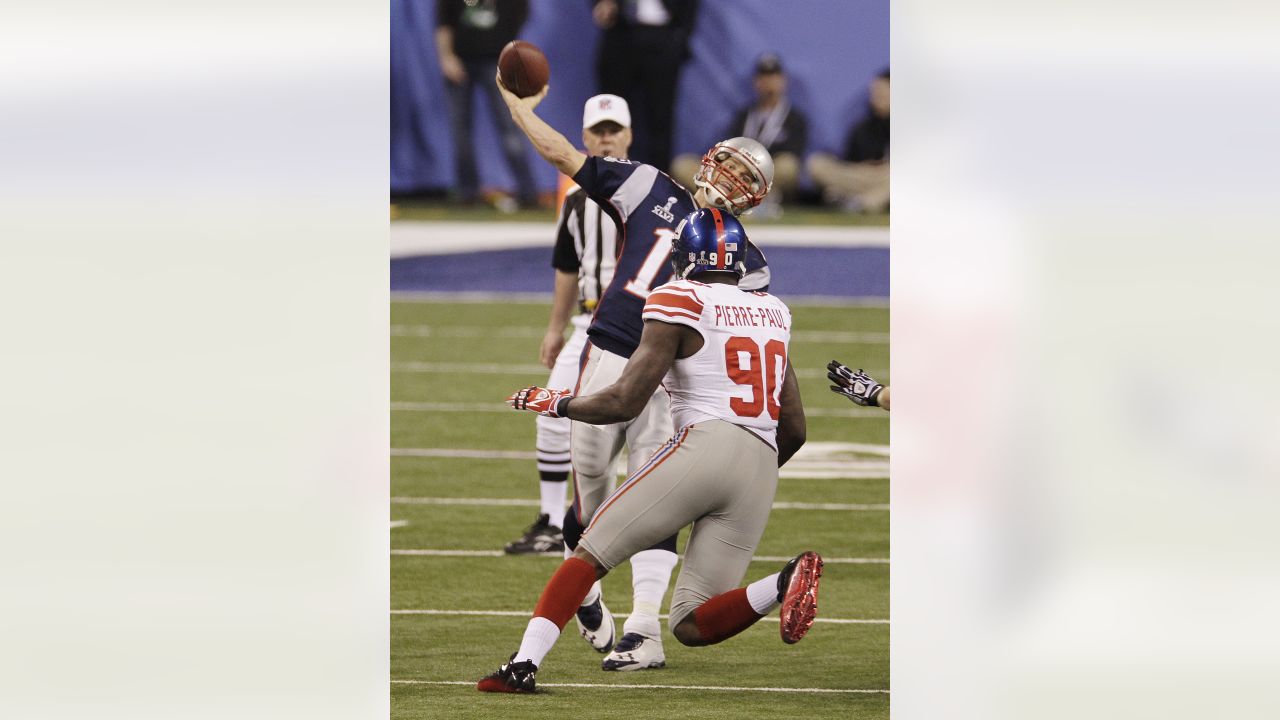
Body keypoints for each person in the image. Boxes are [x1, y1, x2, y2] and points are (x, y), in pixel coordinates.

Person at [495, 72, 778, 672]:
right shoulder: (649, 183)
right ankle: (589, 596)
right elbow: (565, 155)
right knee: (592, 488)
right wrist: (519, 108)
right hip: (610, 348)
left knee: (653, 498)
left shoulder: (750, 263)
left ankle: (645, 628)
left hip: (675, 381)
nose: (727, 181)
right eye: (726, 165)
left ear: (755, 197)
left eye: (743, 179)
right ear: (706, 160)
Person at [479, 208, 820, 693]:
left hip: (707, 444)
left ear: (685, 257)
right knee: (691, 623)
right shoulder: (774, 311)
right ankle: (784, 582)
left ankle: (522, 666)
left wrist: (557, 402)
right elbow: (795, 427)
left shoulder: (679, 296)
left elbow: (623, 401)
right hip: (762, 461)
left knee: (589, 550)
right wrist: (747, 472)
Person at [503, 93, 636, 557]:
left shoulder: (647, 190)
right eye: (598, 131)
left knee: (645, 432)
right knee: (552, 412)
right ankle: (552, 520)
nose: (606, 138)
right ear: (583, 138)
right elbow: (566, 267)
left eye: (613, 130)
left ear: (629, 135)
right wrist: (554, 328)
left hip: (638, 328)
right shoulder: (576, 200)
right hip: (589, 320)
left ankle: (636, 523)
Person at [435, 0, 539, 210]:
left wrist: (507, 48)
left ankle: (528, 192)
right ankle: (468, 193)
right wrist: (446, 57)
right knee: (460, 131)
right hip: (460, 59)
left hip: (496, 59)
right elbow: (443, 21)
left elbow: (521, 13)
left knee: (510, 126)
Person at [672, 53, 809, 211]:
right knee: (682, 164)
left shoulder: (795, 118)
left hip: (764, 177)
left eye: (773, 77)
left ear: (783, 81)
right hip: (736, 173)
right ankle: (723, 196)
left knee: (788, 166)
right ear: (756, 82)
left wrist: (756, 171)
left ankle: (752, 198)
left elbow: (794, 155)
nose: (769, 83)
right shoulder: (744, 115)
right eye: (764, 78)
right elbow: (728, 148)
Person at [591, 0, 699, 173]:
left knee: (660, 121)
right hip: (620, 34)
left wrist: (680, 36)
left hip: (663, 37)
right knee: (612, 115)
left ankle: (659, 187)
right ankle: (610, 178)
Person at [808, 68, 890, 214]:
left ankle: (861, 203)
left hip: (888, 177)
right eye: (875, 92)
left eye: (882, 91)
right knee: (816, 163)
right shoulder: (862, 127)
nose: (877, 96)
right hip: (859, 178)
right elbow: (848, 163)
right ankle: (853, 199)